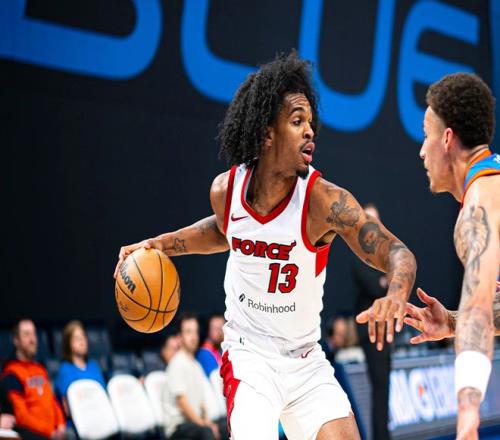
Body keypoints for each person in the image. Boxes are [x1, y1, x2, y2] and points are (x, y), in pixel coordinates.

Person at [115, 51, 417, 440]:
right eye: (297, 121)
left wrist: (396, 293)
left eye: (311, 122)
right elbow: (222, 231)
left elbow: (397, 252)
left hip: (306, 360)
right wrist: (159, 244)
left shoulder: (323, 202)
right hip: (249, 355)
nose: (310, 131)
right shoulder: (226, 191)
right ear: (267, 132)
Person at [402, 72, 500, 440]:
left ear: (446, 139)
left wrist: (468, 410)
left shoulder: (477, 208)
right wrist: (453, 322)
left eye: (425, 135)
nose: (421, 151)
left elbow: (479, 311)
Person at [353, 204, 392, 440]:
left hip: (386, 327)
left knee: (384, 386)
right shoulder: (359, 254)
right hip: (371, 330)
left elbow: (394, 282)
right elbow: (376, 286)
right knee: (379, 385)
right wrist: (388, 280)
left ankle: (383, 434)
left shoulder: (384, 253)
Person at [162, 312, 228, 440]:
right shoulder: (176, 364)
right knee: (206, 432)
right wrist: (204, 424)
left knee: (226, 428)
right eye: (188, 332)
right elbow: (182, 403)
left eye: (195, 332)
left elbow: (201, 403)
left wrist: (208, 422)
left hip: (195, 423)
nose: (193, 337)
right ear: (179, 337)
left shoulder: (196, 365)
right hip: (178, 427)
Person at [2, 319, 66, 439]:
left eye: (34, 334)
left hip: (55, 434)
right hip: (35, 435)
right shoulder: (11, 373)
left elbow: (52, 401)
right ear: (16, 340)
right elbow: (21, 416)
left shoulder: (40, 368)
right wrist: (50, 433)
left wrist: (61, 424)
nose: (32, 339)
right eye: (27, 334)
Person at [54, 321, 106, 417]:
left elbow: (104, 397)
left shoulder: (93, 366)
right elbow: (67, 410)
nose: (82, 341)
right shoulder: (65, 370)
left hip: (100, 417)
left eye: (83, 337)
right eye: (77, 339)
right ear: (68, 344)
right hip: (78, 421)